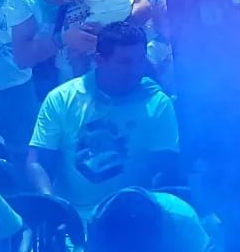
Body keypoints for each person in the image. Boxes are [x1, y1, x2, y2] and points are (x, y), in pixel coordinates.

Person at [24, 22, 178, 219]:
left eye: (140, 59)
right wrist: (54, 208)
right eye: (125, 62)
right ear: (100, 60)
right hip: (76, 215)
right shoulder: (62, 98)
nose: (136, 69)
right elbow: (37, 162)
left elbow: (165, 167)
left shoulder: (158, 103)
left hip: (135, 216)